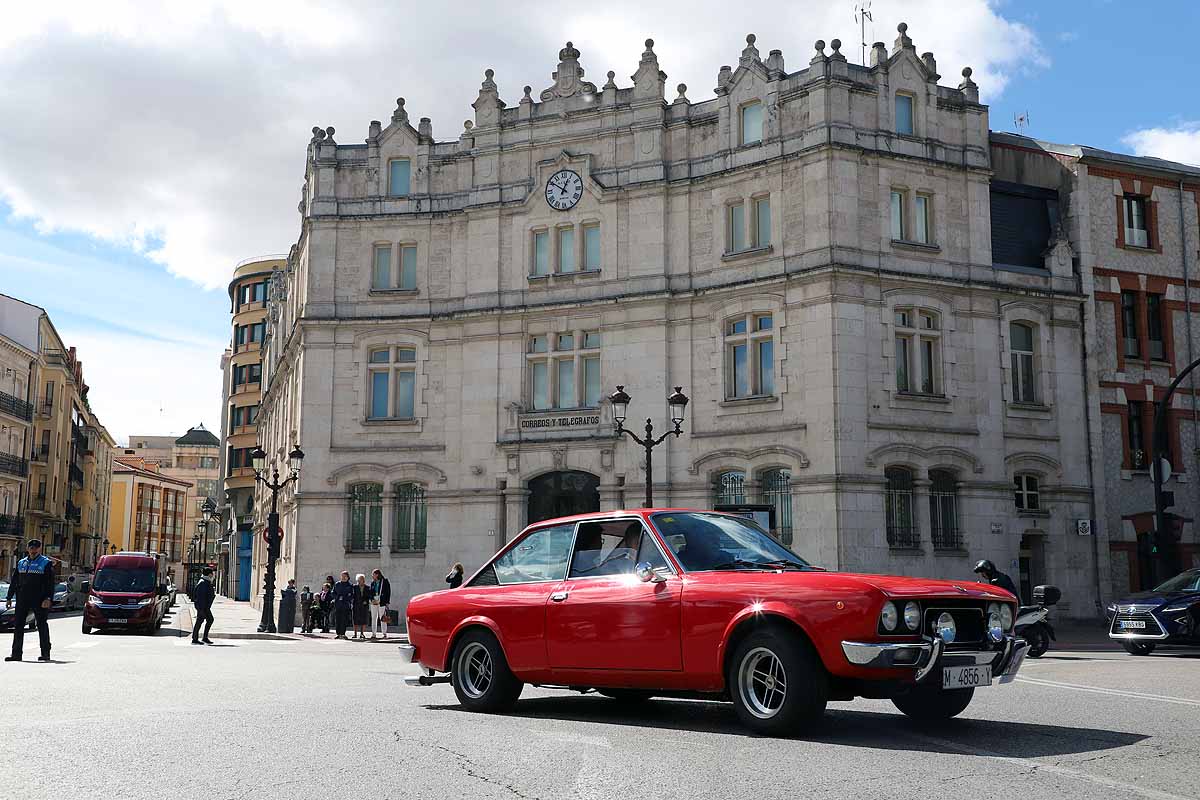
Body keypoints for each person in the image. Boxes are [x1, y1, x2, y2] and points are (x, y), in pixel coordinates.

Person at [5, 539, 55, 662]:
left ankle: (45, 653)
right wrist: (9, 597)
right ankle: (16, 654)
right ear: (28, 548)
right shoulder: (21, 563)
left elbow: (50, 583)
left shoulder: (46, 563)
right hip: (22, 598)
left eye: (36, 547)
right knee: (18, 626)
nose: (33, 549)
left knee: (42, 625)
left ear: (40, 548)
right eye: (31, 547)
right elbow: (14, 581)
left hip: (39, 599)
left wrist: (48, 598)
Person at [191, 566, 216, 644]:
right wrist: (201, 609)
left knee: (208, 620)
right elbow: (200, 597)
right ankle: (195, 639)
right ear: (209, 574)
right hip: (203, 607)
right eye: (212, 574)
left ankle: (204, 638)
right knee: (201, 620)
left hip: (205, 606)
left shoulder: (206, 582)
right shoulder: (203, 583)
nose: (213, 575)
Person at [330, 572, 354, 639]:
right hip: (338, 604)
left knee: (344, 619)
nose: (343, 577)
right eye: (342, 576)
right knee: (338, 620)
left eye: (345, 576)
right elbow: (332, 593)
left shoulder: (350, 585)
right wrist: (337, 597)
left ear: (347, 577)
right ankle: (338, 633)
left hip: (345, 605)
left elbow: (351, 595)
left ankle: (343, 633)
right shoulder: (337, 584)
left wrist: (344, 598)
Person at [370, 569, 391, 640]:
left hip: (381, 602)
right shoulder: (373, 582)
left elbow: (388, 592)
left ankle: (384, 633)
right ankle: (373, 634)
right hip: (374, 602)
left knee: (382, 617)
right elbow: (370, 592)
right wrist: (371, 599)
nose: (372, 576)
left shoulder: (384, 581)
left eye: (373, 574)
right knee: (373, 618)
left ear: (377, 574)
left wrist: (387, 602)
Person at [351, 573, 373, 640]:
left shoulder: (367, 587)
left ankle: (362, 633)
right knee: (355, 619)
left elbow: (369, 596)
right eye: (361, 579)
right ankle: (355, 634)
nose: (362, 580)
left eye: (363, 579)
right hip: (356, 605)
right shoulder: (354, 587)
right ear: (358, 580)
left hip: (364, 605)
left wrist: (367, 600)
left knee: (364, 619)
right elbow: (352, 595)